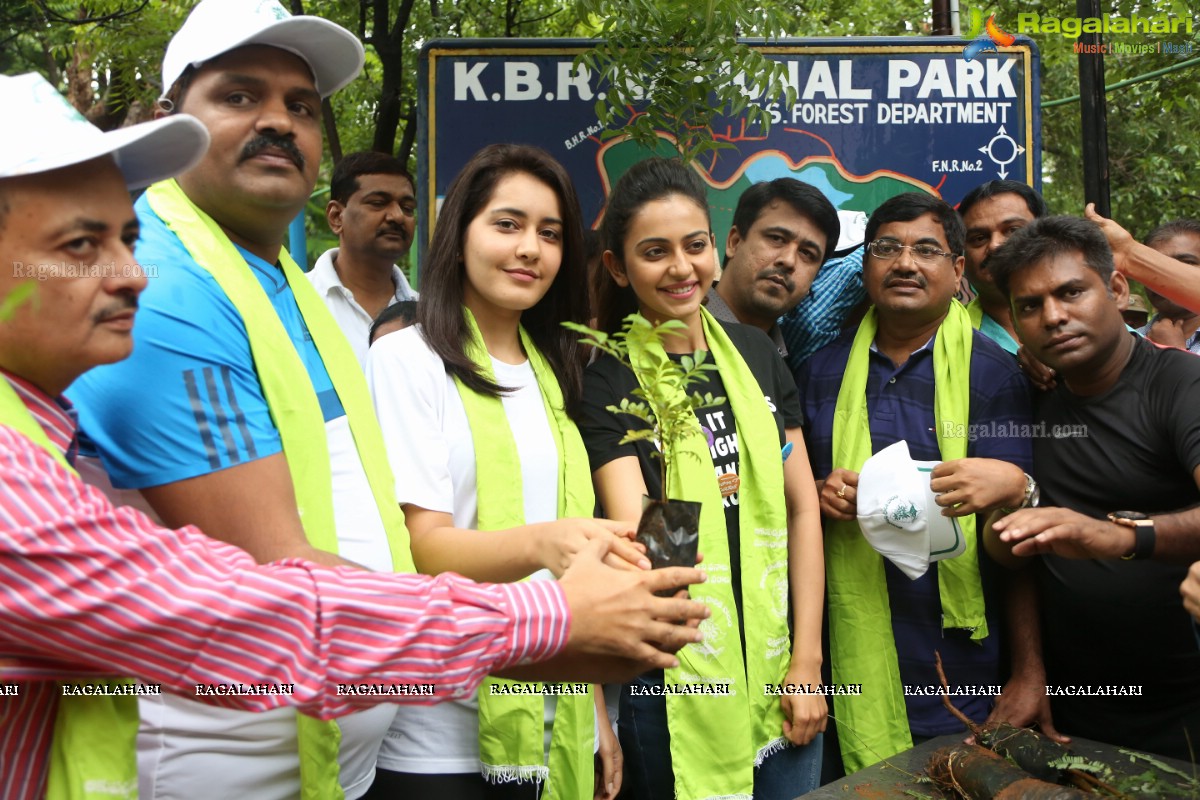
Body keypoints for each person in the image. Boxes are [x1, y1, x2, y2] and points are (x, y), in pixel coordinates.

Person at [0, 70, 710, 800]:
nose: (134, 277)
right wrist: (554, 617)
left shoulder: (45, 433)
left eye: (130, 239)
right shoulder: (12, 490)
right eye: (82, 244)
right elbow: (261, 616)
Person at [367, 144, 639, 799]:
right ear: (459, 236)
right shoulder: (407, 360)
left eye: (550, 234)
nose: (530, 249)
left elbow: (570, 573)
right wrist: (545, 540)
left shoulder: (558, 374)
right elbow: (422, 544)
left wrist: (594, 711)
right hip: (439, 737)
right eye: (508, 224)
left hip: (557, 725)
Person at [580, 158, 827, 800]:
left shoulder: (754, 354)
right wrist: (692, 480)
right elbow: (650, 552)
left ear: (717, 249)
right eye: (654, 252)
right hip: (674, 677)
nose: (681, 268)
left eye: (695, 246)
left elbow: (802, 508)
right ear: (618, 268)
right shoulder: (609, 378)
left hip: (779, 664)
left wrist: (807, 660)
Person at [794, 192, 1035, 774]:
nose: (905, 263)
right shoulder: (818, 371)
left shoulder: (996, 371)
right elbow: (789, 502)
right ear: (866, 265)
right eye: (887, 248)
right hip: (843, 657)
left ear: (957, 272)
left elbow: (1022, 540)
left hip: (959, 659)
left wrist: (1011, 485)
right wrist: (820, 493)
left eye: (927, 249)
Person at [984, 214, 1200, 761]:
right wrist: (1029, 671)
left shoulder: (1178, 385)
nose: (1053, 317)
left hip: (1185, 705)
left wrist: (1124, 537)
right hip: (1071, 708)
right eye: (1029, 306)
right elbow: (1024, 556)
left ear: (1118, 289)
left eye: (1071, 292)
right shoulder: (1027, 399)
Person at [705, 177, 840, 358]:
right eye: (776, 238)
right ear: (734, 242)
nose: (789, 261)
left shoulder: (786, 371)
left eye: (807, 253)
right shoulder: (670, 330)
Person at [309, 150, 419, 368]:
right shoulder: (293, 302)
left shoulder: (431, 317)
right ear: (336, 216)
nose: (397, 216)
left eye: (407, 208)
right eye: (378, 203)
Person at [957, 180, 1048, 354]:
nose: (995, 246)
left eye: (1013, 230)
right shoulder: (947, 335)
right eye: (979, 238)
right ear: (962, 262)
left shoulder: (1087, 315)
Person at [1087, 203, 1200, 315]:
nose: (1164, 272)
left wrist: (1129, 254)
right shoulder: (1124, 333)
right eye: (1154, 262)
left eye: (1187, 262)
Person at [1137, 219, 1200, 354]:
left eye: (1187, 263)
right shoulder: (1126, 344)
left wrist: (1173, 355)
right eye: (1154, 266)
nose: (1165, 275)